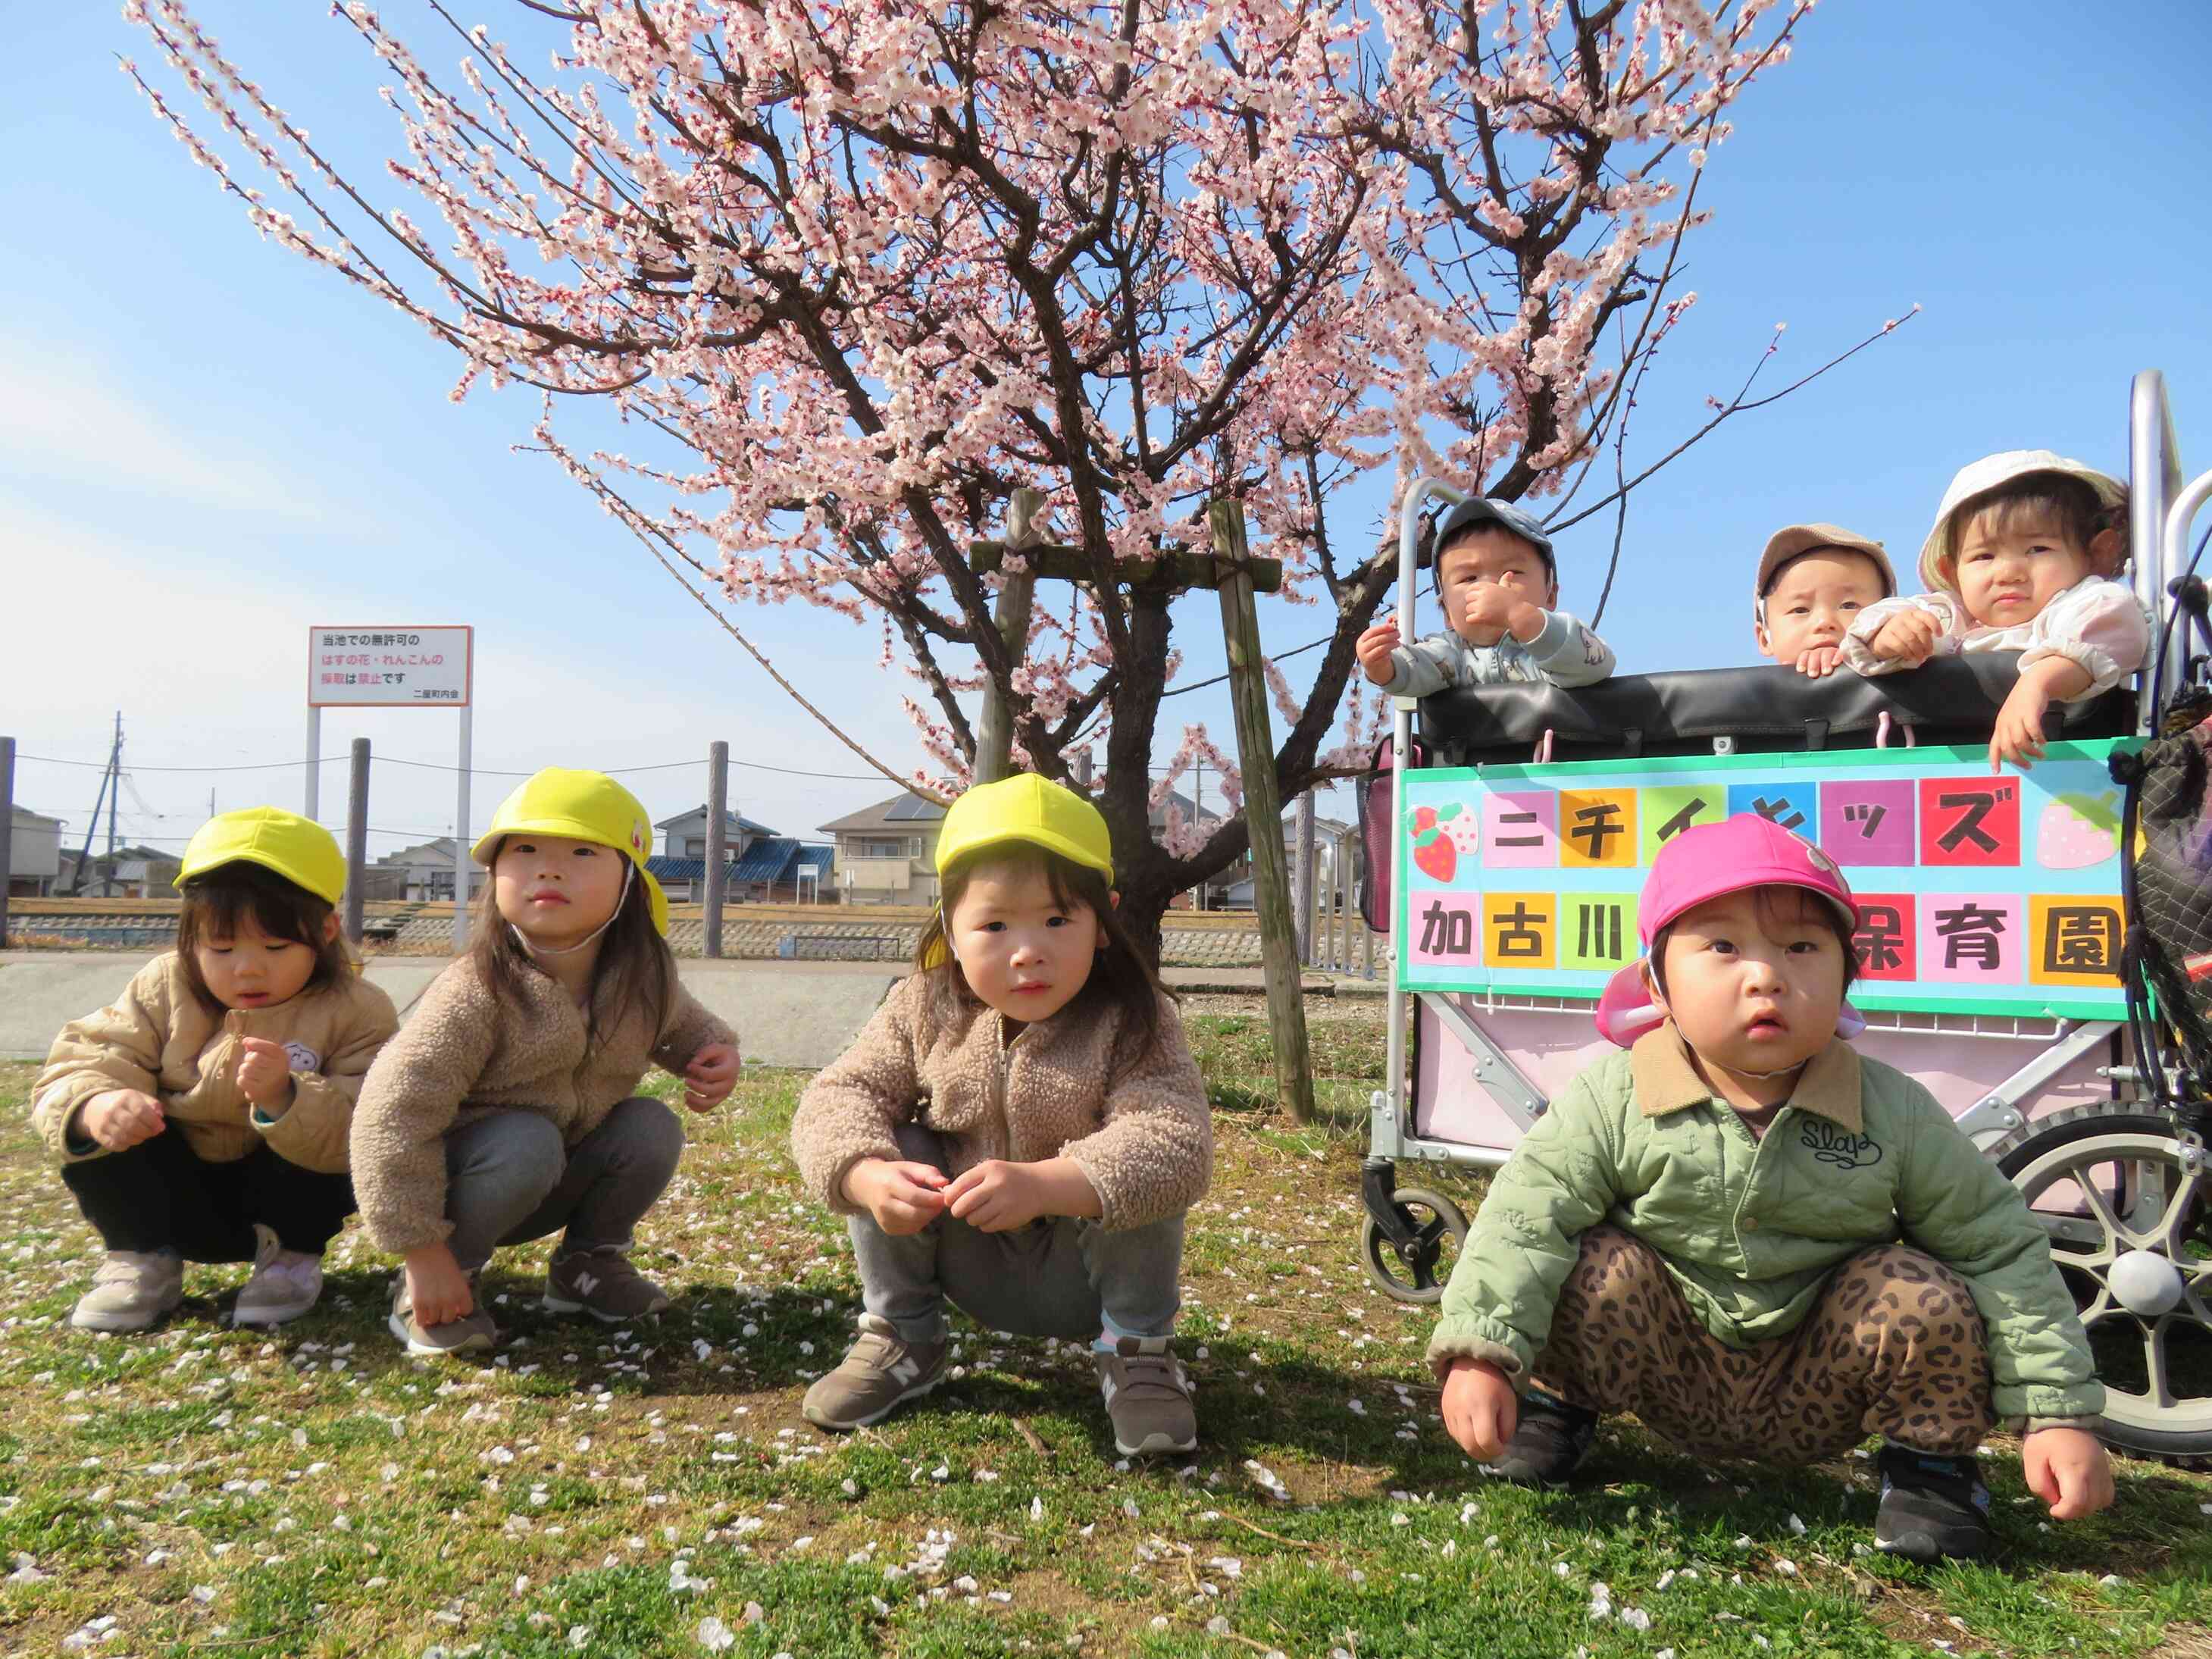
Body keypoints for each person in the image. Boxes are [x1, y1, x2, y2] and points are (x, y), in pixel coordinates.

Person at [1428, 815, 2113, 1563]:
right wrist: (1484, 1354)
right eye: (1722, 946)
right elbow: (1526, 1216)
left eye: (1802, 947)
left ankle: (1932, 1473)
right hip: (1667, 1367)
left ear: (1848, 975)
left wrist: (2056, 1412)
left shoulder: (1895, 1110)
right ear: (1657, 981)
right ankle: (1556, 1413)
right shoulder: (1612, 1096)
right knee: (1592, 1259)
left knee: (1922, 1290)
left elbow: (1999, 1246)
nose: (1766, 975)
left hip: (1822, 1384)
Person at [790, 774, 1212, 1457]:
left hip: (1084, 1275)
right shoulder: (922, 1006)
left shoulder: (1136, 1018)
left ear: (1102, 921)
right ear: (951, 929)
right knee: (891, 1140)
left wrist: (1050, 1182)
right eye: (993, 925)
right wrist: (866, 1177)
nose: (1027, 951)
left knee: (1141, 1160)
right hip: (968, 1255)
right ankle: (903, 1336)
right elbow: (838, 1094)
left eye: (1056, 920)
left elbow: (1177, 1141)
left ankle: (1137, 1354)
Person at [349, 769, 740, 1357]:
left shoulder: (642, 979)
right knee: (524, 1139)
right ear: (495, 876)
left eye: (582, 852)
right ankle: (435, 1280)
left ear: (630, 885)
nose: (547, 869)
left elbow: (688, 1028)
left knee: (649, 1125)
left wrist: (715, 1056)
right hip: (465, 1186)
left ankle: (587, 1265)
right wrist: (420, 1248)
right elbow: (390, 1113)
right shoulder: (476, 991)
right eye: (524, 849)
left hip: (555, 1173)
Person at [35, 808, 399, 1332]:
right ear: (189, 935)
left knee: (332, 1143)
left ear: (325, 930)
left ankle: (290, 1263)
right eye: (222, 947)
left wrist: (287, 1098)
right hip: (175, 1194)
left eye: (275, 946)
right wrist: (97, 1105)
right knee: (96, 1123)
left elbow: (369, 1123)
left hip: (280, 1201)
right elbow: (88, 1057)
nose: (247, 967)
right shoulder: (164, 984)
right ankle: (142, 1261)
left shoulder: (358, 1007)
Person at [1839, 451, 2150, 768]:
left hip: (2069, 782)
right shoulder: (1950, 617)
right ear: (1951, 573)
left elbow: (2105, 635)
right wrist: (1888, 635)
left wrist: (2037, 683)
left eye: (2038, 549)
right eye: (1984, 556)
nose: (2008, 573)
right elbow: (1868, 635)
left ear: (2095, 554)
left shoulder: (2081, 604)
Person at [1356, 497, 1615, 694]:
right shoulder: (1451, 653)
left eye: (1513, 571)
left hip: (1551, 761)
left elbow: (1594, 664)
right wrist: (1383, 666)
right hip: (1472, 765)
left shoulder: (1554, 643)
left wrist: (1521, 616)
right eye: (1469, 578)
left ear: (1550, 595)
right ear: (1447, 611)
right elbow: (1418, 668)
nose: (1491, 587)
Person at [1752, 523, 1895, 676]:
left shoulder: (1908, 684)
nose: (1824, 622)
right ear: (1766, 639)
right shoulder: (1752, 698)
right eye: (1800, 610)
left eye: (1849, 606)